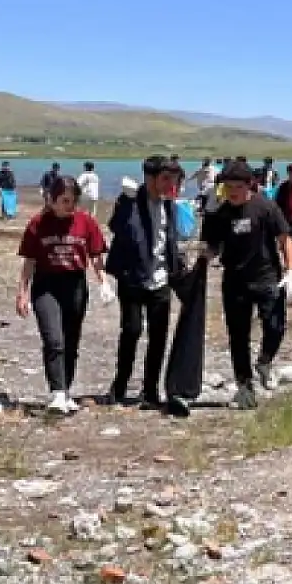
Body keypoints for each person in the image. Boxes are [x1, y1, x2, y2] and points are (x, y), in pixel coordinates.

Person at [202, 160, 292, 409]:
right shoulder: (221, 213)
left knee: (275, 326)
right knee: (238, 336)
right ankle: (244, 386)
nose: (232, 191)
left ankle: (265, 361)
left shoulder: (265, 208)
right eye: (227, 186)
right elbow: (213, 246)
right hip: (235, 281)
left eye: (237, 186)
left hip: (267, 277)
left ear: (249, 185)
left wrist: (291, 270)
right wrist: (202, 259)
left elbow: (285, 239)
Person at [16, 175, 112, 415]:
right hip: (46, 285)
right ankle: (57, 393)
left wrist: (104, 283)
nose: (70, 206)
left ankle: (66, 391)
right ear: (52, 199)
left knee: (71, 341)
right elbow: (29, 261)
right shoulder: (38, 223)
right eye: (65, 200)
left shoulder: (86, 222)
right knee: (54, 339)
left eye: (73, 201)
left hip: (75, 284)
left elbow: (95, 256)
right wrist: (22, 293)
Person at [106, 157, 186, 409]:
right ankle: (120, 385)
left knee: (159, 335)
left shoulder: (169, 205)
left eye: (172, 179)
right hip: (132, 278)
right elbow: (116, 227)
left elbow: (169, 239)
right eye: (165, 179)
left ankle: (150, 389)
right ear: (150, 178)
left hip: (160, 279)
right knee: (131, 331)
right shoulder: (129, 200)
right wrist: (127, 201)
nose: (169, 184)